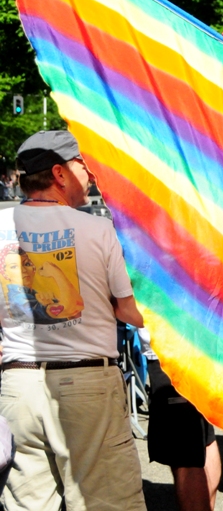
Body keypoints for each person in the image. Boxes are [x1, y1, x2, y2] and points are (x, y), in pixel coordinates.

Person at [0, 130, 146, 511]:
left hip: (18, 387)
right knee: (107, 502)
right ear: (59, 174)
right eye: (83, 164)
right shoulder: (98, 229)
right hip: (87, 387)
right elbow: (130, 312)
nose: (91, 173)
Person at [139, 328, 222, 511]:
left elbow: (126, 309)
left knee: (186, 457)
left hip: (172, 350)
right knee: (203, 440)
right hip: (195, 346)